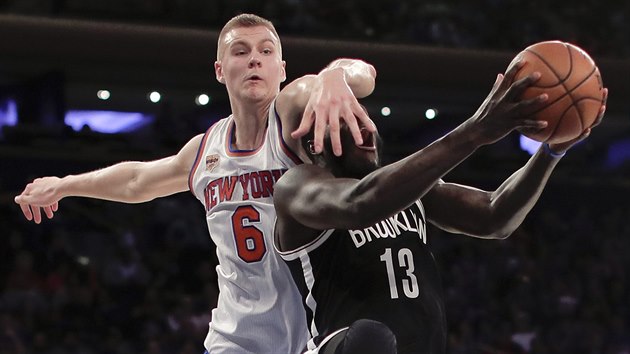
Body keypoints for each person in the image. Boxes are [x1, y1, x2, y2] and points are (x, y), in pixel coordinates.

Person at [14, 13, 377, 354]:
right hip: (234, 340)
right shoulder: (207, 150)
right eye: (241, 51)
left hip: (311, 335)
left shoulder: (295, 119)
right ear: (220, 70)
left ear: (281, 69)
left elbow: (364, 73)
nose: (255, 60)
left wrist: (334, 76)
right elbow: (136, 180)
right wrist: (64, 184)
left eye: (266, 52)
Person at [273, 61, 608, 354]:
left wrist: (550, 153)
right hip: (343, 345)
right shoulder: (298, 186)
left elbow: (494, 215)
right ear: (314, 141)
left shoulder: (406, 190)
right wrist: (475, 131)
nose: (367, 127)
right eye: (347, 121)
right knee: (369, 338)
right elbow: (360, 203)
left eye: (364, 118)